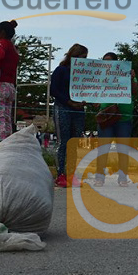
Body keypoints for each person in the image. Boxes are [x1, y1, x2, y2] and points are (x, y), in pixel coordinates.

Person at [93, 52, 138, 188]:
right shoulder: (100, 76)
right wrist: (94, 102)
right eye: (104, 61)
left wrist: (132, 78)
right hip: (106, 116)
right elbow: (93, 92)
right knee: (103, 148)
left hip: (124, 116)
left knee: (123, 149)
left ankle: (123, 177)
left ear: (116, 63)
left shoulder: (126, 73)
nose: (107, 64)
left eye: (109, 61)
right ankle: (99, 177)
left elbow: (135, 91)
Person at [50, 43, 88, 188]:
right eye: (82, 57)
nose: (84, 61)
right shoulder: (61, 70)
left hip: (78, 109)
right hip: (63, 108)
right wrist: (68, 102)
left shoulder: (83, 74)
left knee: (75, 142)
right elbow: (53, 90)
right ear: (74, 56)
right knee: (63, 142)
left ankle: (72, 174)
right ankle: (60, 174)